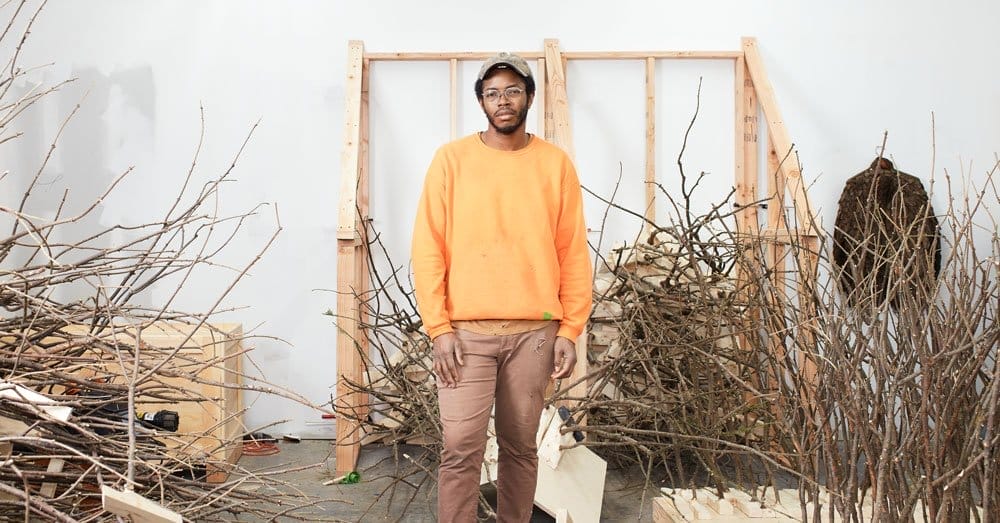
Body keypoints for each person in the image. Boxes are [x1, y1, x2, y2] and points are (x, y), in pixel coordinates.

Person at [411, 51, 593, 523]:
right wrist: (439, 328)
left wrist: (570, 330)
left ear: (528, 96)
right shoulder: (451, 161)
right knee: (459, 448)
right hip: (465, 335)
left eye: (513, 90)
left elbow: (572, 252)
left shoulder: (555, 165)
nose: (503, 101)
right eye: (492, 93)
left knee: (519, 448)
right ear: (481, 103)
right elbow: (428, 247)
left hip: (534, 335)